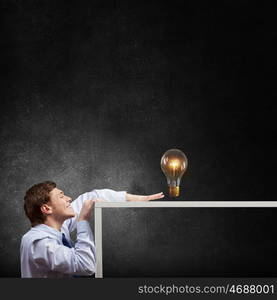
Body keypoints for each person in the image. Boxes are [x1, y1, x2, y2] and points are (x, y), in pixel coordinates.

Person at [20, 181, 164, 278]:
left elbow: (92, 197)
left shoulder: (57, 227)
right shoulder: (38, 242)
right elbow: (85, 265)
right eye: (61, 196)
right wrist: (83, 221)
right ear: (46, 208)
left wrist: (138, 199)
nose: (69, 199)